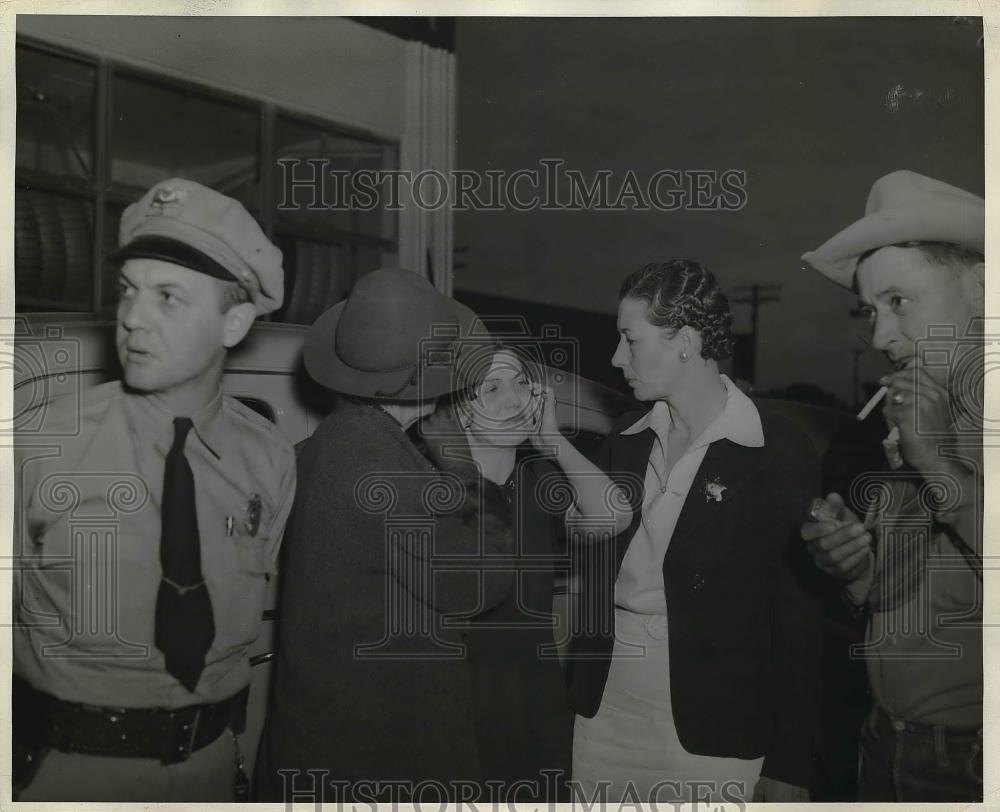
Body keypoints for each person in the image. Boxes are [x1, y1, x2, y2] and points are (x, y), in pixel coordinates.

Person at [13, 178, 296, 802]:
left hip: (211, 772)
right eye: (128, 291)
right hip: (67, 774)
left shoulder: (268, 459)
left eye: (168, 297)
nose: (133, 317)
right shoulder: (40, 444)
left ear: (236, 321)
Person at [255, 269, 517, 804]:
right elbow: (475, 587)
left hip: (327, 746)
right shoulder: (386, 470)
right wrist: (474, 475)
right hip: (382, 760)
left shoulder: (328, 442)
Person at [567, 260, 822, 804]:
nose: (616, 359)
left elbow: (799, 623)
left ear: (684, 341)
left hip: (715, 727)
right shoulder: (626, 441)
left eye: (630, 340)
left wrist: (791, 762)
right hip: (606, 708)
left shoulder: (776, 450)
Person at [800, 169, 984, 802]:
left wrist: (933, 459)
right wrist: (856, 571)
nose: (879, 337)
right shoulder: (923, 414)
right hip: (886, 743)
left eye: (899, 302)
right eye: (871, 311)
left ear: (985, 286)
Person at [439, 344, 629, 801]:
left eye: (522, 383)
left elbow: (613, 517)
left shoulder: (539, 481)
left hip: (536, 707)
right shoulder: (440, 491)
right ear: (461, 411)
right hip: (458, 713)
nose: (516, 399)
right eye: (492, 388)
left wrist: (555, 442)